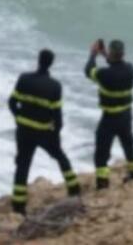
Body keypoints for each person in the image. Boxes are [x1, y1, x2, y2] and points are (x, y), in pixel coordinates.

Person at [8, 49, 81, 215]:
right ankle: (74, 189)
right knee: (61, 158)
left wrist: (19, 118)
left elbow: (12, 102)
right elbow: (57, 115)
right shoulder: (55, 86)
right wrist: (56, 135)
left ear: (38, 60)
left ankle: (18, 206)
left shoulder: (24, 79)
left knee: (22, 166)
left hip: (24, 131)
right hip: (44, 132)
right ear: (51, 63)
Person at [85, 39, 133, 189]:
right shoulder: (131, 70)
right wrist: (105, 55)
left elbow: (88, 71)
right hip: (125, 115)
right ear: (123, 54)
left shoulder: (104, 74)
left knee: (102, 151)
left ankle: (103, 182)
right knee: (128, 144)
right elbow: (118, 65)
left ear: (112, 53)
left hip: (109, 118)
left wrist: (93, 54)